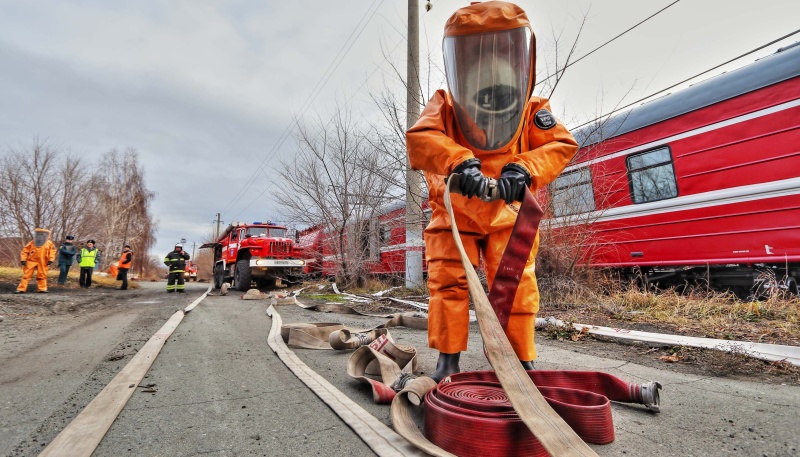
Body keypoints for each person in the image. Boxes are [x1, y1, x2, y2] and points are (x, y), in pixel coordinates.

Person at [406, 1, 579, 381]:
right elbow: (422, 140)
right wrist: (458, 162)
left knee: (516, 284)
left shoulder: (532, 108)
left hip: (507, 215)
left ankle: (521, 361)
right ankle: (447, 363)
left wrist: (524, 169)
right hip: (454, 214)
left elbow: (561, 145)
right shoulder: (445, 106)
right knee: (447, 283)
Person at [16, 228, 57, 293]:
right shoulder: (32, 243)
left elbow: (53, 251)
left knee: (42, 275)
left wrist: (51, 259)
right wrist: (23, 259)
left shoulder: (49, 243)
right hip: (31, 260)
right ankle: (21, 289)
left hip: (43, 261)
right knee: (26, 275)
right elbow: (25, 251)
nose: (40, 237)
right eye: (39, 235)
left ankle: (42, 288)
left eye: (42, 235)